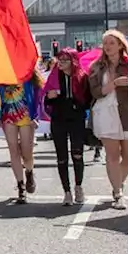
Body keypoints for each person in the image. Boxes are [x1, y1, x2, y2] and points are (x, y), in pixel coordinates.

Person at [89, 30, 128, 210]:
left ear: (120, 45)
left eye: (112, 43)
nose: (107, 46)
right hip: (105, 112)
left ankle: (118, 181)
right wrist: (113, 84)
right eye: (105, 43)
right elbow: (95, 92)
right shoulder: (96, 67)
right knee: (112, 156)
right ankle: (118, 192)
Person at [43, 48, 92, 206]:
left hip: (76, 119)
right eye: (60, 59)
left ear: (73, 61)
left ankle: (78, 186)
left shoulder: (82, 77)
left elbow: (88, 100)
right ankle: (67, 192)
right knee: (62, 157)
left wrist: (78, 103)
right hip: (58, 119)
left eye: (65, 59)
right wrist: (50, 98)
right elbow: (46, 101)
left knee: (77, 154)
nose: (61, 62)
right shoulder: (54, 76)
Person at [0, 70, 44, 204]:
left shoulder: (28, 73)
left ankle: (29, 172)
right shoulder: (1, 71)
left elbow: (38, 95)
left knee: (26, 153)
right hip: (7, 114)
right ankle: (21, 186)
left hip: (26, 115)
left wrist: (36, 115)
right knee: (13, 150)